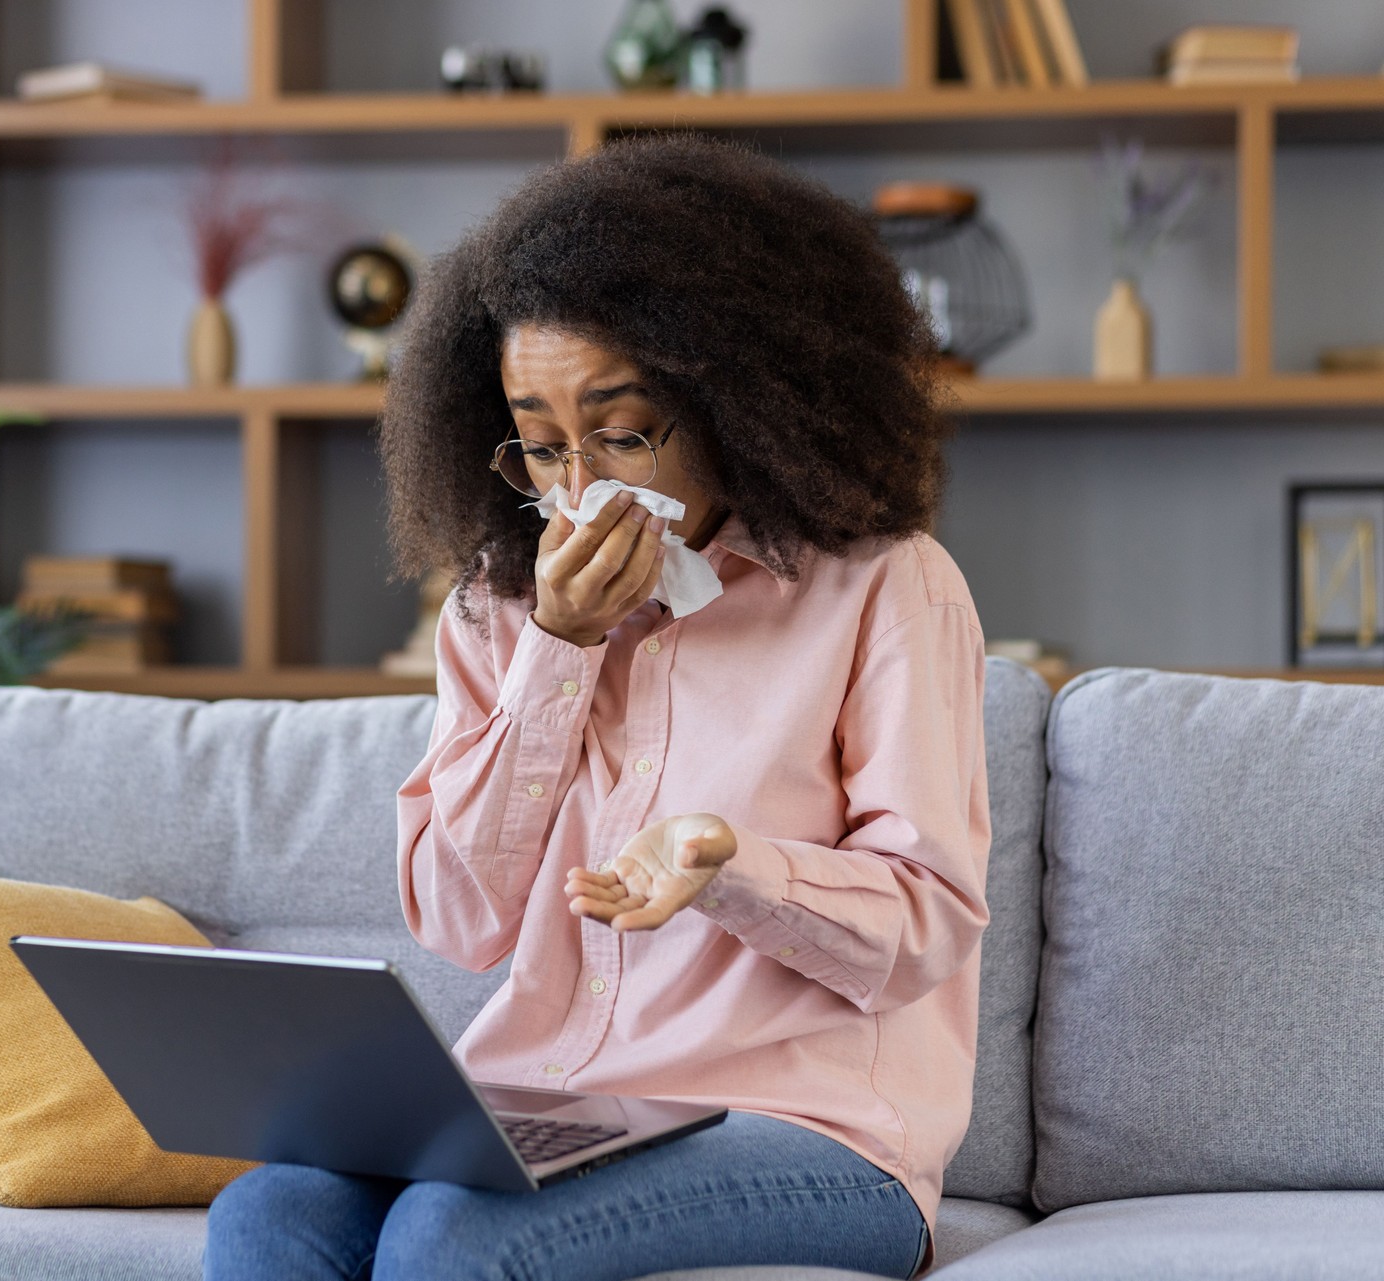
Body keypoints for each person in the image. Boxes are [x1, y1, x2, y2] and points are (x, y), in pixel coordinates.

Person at [203, 132, 990, 1281]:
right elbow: (459, 920)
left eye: (622, 434)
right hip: (546, 1104)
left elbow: (926, 925)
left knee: (449, 1239)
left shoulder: (885, 585)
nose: (582, 490)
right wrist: (558, 650)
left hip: (812, 1135)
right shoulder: (497, 610)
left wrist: (731, 867)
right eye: (541, 447)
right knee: (267, 1216)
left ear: (739, 398)